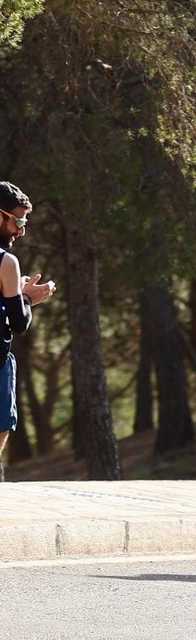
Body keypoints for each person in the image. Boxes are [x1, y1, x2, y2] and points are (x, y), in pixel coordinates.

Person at [0, 182, 53, 474]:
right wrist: (27, 299)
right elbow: (20, 324)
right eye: (17, 221)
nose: (21, 231)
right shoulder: (6, 262)